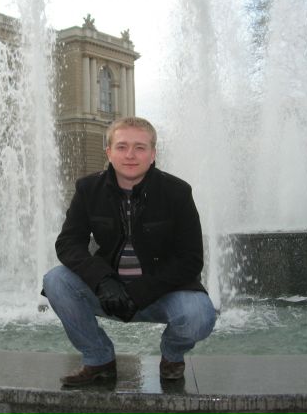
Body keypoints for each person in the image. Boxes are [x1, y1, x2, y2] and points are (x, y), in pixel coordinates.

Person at [43, 117, 216, 386]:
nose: (130, 155)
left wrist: (141, 291)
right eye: (122, 147)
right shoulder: (88, 189)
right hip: (109, 292)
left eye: (140, 147)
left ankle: (172, 355)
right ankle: (98, 359)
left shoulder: (177, 192)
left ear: (153, 154)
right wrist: (103, 281)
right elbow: (68, 243)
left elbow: (191, 259)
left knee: (200, 315)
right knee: (55, 280)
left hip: (162, 293)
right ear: (109, 152)